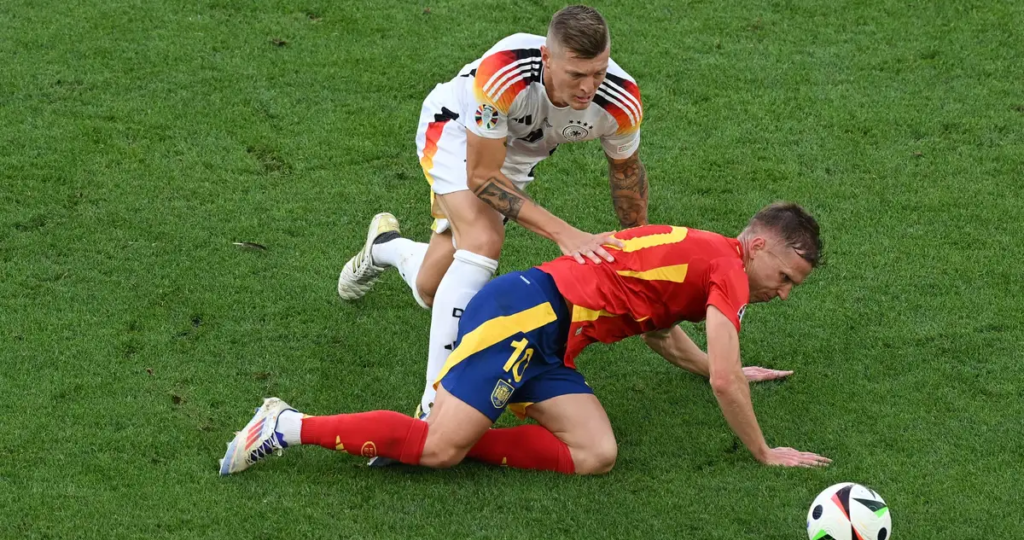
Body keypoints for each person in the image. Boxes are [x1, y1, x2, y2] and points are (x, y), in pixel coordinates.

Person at [220, 203, 832, 476]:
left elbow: (661, 332)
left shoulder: (706, 257)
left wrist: (715, 370)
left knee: (597, 454)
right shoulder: (728, 270)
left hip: (550, 339)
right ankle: (284, 424)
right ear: (756, 246)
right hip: (525, 316)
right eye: (784, 278)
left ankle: (420, 439)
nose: (782, 293)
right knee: (440, 450)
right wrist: (764, 451)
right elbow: (726, 378)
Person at [335, 5, 649, 421]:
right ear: (547, 57)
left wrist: (642, 254)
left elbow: (626, 175)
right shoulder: (505, 71)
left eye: (598, 72)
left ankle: (384, 246)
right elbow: (482, 176)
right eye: (576, 74)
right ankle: (434, 406)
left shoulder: (620, 100)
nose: (588, 87)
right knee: (483, 242)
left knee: (431, 289)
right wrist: (564, 233)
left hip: (514, 156)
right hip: (456, 130)